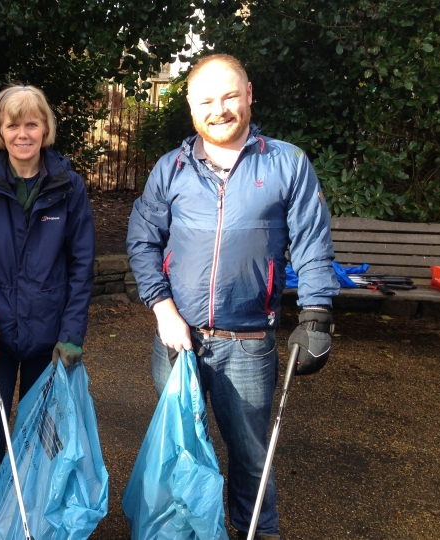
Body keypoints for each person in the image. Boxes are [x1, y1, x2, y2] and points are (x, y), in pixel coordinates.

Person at [126, 54, 338, 539]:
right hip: (177, 338)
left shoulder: (286, 163)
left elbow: (311, 243)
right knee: (182, 447)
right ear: (190, 106)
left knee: (250, 455)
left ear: (249, 95)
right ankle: (183, 530)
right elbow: (142, 239)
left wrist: (317, 315)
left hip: (248, 342)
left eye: (228, 96)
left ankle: (256, 531)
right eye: (206, 100)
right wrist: (162, 310)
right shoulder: (171, 167)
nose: (218, 109)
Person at [0, 84, 96, 538]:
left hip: (49, 340)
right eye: (12, 124)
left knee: (44, 439)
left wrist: (72, 333)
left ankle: (33, 516)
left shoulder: (68, 186)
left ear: (45, 128)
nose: (22, 133)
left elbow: (81, 264)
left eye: (31, 123)